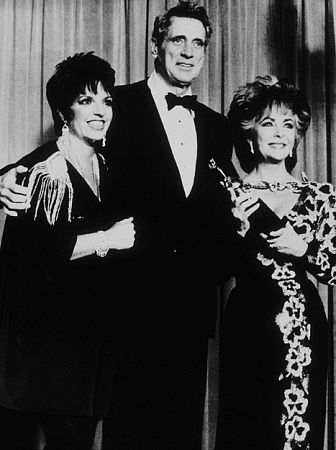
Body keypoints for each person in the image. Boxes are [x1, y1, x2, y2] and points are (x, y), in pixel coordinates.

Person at [0, 2, 237, 448]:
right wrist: (5, 175)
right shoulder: (115, 104)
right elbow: (62, 150)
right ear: (155, 46)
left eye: (198, 43)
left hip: (190, 311)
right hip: (125, 311)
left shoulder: (218, 128)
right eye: (177, 40)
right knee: (126, 434)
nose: (188, 52)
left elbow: (222, 207)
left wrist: (216, 270)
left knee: (181, 433)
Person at [0, 52, 135, 450]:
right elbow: (46, 253)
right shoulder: (46, 168)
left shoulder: (107, 165)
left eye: (106, 101)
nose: (100, 111)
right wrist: (107, 239)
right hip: (45, 350)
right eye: (86, 100)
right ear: (63, 111)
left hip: (89, 346)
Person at [213, 75, 336, 450]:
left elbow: (334, 269)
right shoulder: (228, 194)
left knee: (296, 433)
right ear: (249, 132)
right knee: (245, 425)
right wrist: (233, 227)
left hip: (302, 331)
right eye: (268, 123)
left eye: (288, 125)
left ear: (298, 134)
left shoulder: (321, 195)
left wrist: (303, 250)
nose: (279, 133)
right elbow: (212, 268)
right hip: (246, 325)